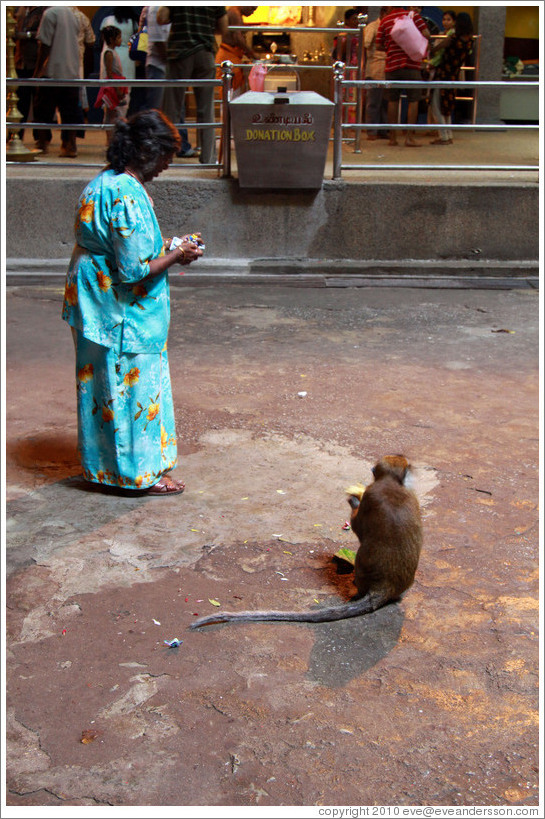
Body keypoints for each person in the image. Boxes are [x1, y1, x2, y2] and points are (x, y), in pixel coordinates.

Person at [62, 110, 203, 496]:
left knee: (101, 386)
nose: (167, 166)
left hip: (90, 299)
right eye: (166, 156)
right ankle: (139, 474)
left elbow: (122, 248)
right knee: (132, 387)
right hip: (117, 309)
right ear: (146, 151)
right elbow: (134, 270)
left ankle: (104, 469)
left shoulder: (104, 182)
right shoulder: (127, 194)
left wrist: (168, 247)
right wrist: (178, 254)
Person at [158, 5, 228, 164]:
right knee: (206, 109)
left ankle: (165, 158)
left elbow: (161, 17)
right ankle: (208, 158)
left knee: (172, 107)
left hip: (180, 53)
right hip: (205, 52)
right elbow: (223, 27)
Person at [32, 5, 84, 157]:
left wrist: (38, 70)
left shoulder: (50, 13)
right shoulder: (73, 14)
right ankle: (70, 145)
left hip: (53, 69)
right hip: (71, 69)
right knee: (70, 111)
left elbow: (45, 45)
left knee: (43, 109)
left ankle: (42, 143)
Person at [376, 5, 430, 147]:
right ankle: (409, 138)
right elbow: (427, 34)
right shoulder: (413, 16)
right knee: (413, 100)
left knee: (392, 101)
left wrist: (391, 46)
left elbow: (378, 45)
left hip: (392, 67)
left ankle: (392, 138)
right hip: (412, 65)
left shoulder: (385, 20)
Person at [429, 12, 474, 145]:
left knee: (436, 105)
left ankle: (443, 136)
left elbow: (437, 48)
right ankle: (448, 135)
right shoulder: (470, 41)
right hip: (454, 75)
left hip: (443, 74)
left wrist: (430, 50)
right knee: (447, 106)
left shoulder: (453, 38)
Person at [13, 6, 46, 143]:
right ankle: (17, 135)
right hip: (20, 60)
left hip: (37, 61)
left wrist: (26, 35)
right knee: (20, 101)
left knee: (39, 103)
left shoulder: (44, 10)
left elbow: (45, 34)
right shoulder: (19, 9)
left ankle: (41, 138)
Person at [215, 6, 258, 98]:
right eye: (252, 9)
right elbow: (237, 38)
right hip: (228, 56)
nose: (252, 12)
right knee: (230, 95)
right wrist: (252, 54)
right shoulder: (234, 13)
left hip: (231, 56)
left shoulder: (235, 13)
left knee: (232, 94)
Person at [98, 26, 129, 143]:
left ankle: (112, 139)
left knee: (114, 114)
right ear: (111, 39)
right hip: (112, 86)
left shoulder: (112, 52)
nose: (121, 40)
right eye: (119, 37)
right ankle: (109, 139)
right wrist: (116, 89)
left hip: (116, 84)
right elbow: (110, 73)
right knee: (111, 114)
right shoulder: (109, 53)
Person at [363, 6, 389, 140]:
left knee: (385, 102)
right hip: (374, 68)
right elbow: (365, 45)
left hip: (387, 68)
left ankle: (383, 130)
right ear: (383, 13)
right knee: (373, 102)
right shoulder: (373, 27)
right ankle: (372, 131)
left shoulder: (390, 26)